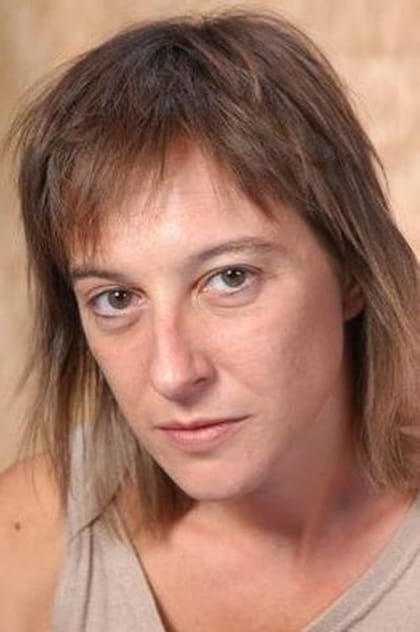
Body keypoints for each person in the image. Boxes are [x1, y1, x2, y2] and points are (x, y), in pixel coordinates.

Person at [1, 9, 419, 631]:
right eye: (116, 298)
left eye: (230, 278)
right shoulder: (29, 534)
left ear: (352, 272)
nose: (173, 374)